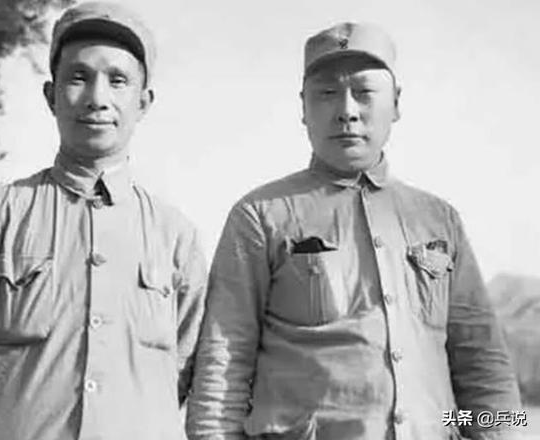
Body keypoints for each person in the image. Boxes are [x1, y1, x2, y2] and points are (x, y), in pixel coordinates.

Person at [186, 22, 522, 440]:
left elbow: (484, 365)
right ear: (303, 107)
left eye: (364, 92)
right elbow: (224, 362)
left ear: (396, 104)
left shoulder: (440, 220)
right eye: (327, 93)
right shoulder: (259, 216)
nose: (347, 110)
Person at [0, 2, 207, 439]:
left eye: (117, 81)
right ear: (50, 96)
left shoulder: (176, 238)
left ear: (143, 102)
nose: (97, 98)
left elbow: (184, 370)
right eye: (78, 77)